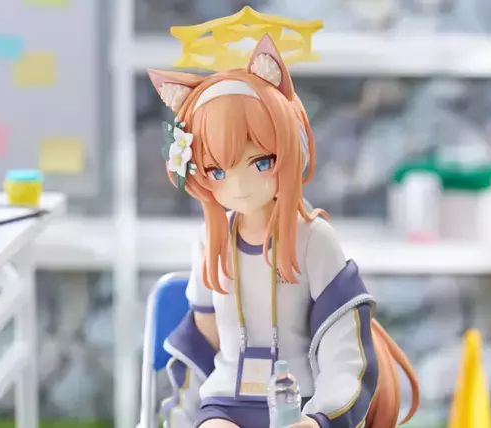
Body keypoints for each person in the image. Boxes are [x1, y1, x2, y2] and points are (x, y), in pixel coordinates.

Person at [148, 32, 420, 428]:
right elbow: (202, 343)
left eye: (260, 162)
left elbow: (343, 351)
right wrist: (183, 418)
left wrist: (319, 417)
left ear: (292, 149)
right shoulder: (211, 241)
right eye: (218, 171)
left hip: (301, 400)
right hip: (225, 399)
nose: (239, 185)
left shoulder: (314, 239)